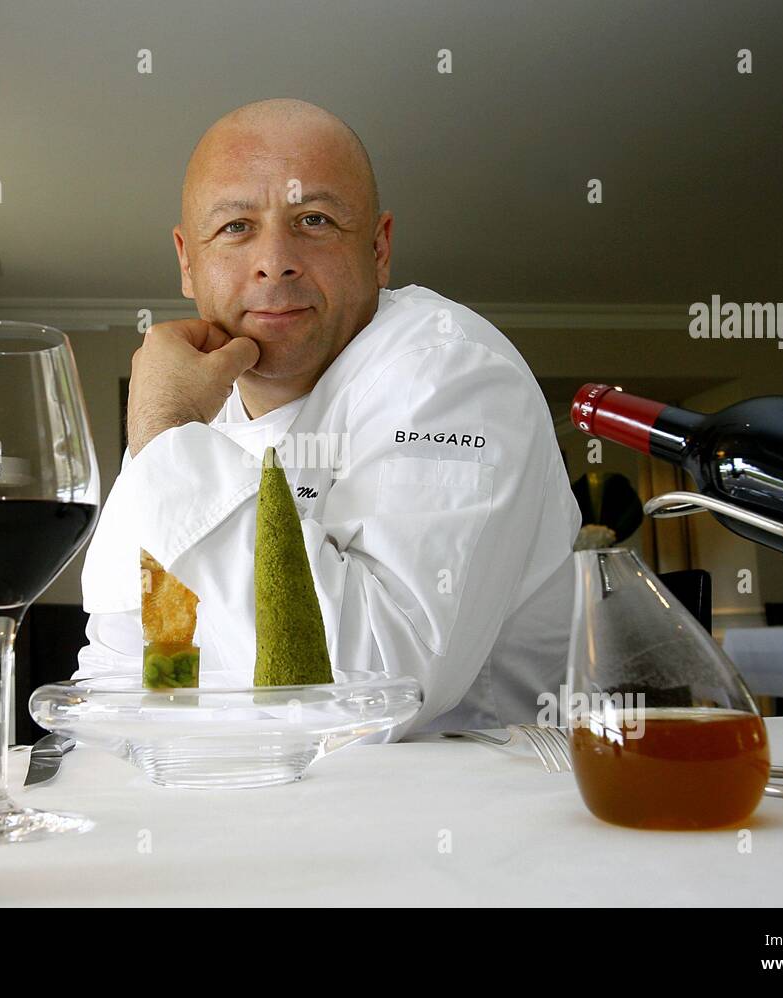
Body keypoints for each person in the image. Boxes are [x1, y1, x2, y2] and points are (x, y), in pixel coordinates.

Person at [76, 98, 580, 737]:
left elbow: (373, 693)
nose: (275, 260)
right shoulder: (195, 414)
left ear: (378, 247)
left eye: (313, 220)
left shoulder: (449, 372)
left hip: (455, 815)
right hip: (242, 802)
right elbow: (144, 656)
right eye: (235, 226)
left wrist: (168, 436)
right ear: (186, 260)